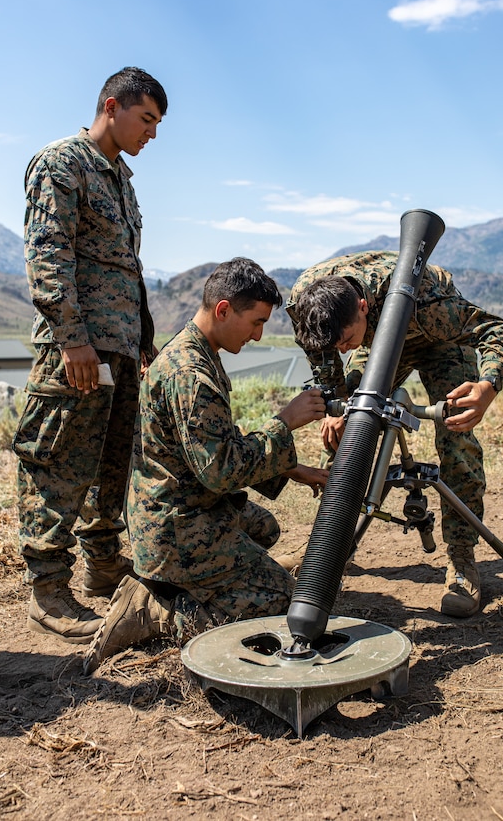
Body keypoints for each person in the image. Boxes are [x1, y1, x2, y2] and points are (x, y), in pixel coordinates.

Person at [83, 258, 328, 674]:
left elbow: (212, 443)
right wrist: (284, 423)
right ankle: (154, 611)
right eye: (256, 322)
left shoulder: (194, 349)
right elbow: (221, 470)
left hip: (179, 507)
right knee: (282, 603)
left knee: (264, 528)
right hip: (175, 527)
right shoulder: (191, 373)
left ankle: (195, 579)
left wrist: (292, 469)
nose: (258, 335)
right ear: (224, 310)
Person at [12, 67, 168, 644]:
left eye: (157, 123)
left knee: (110, 465)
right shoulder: (63, 163)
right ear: (111, 106)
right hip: (77, 348)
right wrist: (71, 338)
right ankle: (48, 591)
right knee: (57, 464)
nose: (152, 133)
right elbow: (47, 254)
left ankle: (104, 567)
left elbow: (126, 270)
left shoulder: (120, 179)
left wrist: (142, 344)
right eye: (146, 118)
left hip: (119, 349)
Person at [286, 250, 503, 618]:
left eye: (345, 341)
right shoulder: (307, 302)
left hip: (434, 338)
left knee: (456, 436)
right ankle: (328, 547)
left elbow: (498, 331)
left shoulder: (430, 306)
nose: (342, 351)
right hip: (378, 339)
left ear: (362, 307)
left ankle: (462, 559)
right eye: (335, 346)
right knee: (351, 429)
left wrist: (487, 387)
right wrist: (338, 400)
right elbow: (325, 355)